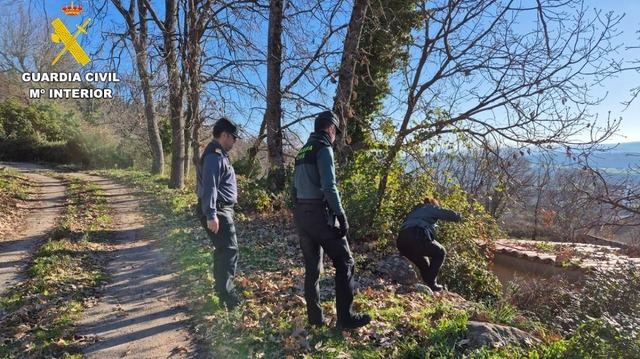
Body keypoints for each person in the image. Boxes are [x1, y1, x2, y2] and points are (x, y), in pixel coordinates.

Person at [292, 110, 371, 329]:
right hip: (320, 215)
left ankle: (315, 319)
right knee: (345, 261)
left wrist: (298, 213)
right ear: (330, 129)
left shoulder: (302, 150)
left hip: (302, 214)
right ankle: (345, 318)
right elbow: (329, 186)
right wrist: (341, 215)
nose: (335, 135)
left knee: (313, 269)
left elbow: (293, 188)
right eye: (335, 131)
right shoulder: (324, 148)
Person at [197, 117, 242, 309]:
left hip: (222, 209)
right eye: (233, 137)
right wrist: (212, 214)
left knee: (223, 251)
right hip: (219, 210)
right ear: (224, 135)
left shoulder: (219, 154)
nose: (234, 142)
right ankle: (228, 298)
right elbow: (210, 187)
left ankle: (221, 291)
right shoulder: (214, 156)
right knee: (230, 251)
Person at [397, 196, 462, 292]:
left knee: (425, 263)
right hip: (416, 235)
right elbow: (444, 213)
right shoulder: (429, 207)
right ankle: (432, 284)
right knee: (440, 252)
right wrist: (458, 216)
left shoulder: (415, 211)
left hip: (402, 241)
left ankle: (427, 287)